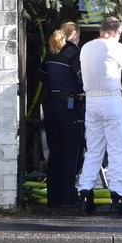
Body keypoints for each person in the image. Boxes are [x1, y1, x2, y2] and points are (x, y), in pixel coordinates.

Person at [76, 18, 122, 215]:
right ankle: (117, 199)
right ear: (117, 32)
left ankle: (85, 196)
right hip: (111, 101)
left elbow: (109, 56)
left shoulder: (87, 47)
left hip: (92, 102)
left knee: (93, 151)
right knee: (116, 151)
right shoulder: (116, 49)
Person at [38, 22, 84, 209]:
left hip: (51, 105)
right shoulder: (74, 53)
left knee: (55, 152)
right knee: (71, 152)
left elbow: (42, 75)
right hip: (69, 107)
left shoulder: (51, 53)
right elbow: (83, 81)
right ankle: (68, 199)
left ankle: (53, 198)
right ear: (74, 36)